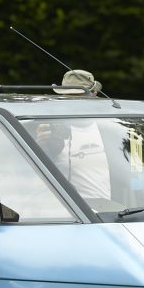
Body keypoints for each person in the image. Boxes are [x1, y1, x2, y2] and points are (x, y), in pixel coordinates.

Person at [38, 69, 112, 200]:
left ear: (94, 94)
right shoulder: (51, 130)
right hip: (66, 214)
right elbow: (35, 179)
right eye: (66, 96)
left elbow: (132, 176)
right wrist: (39, 146)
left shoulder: (109, 129)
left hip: (112, 213)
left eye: (77, 95)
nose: (71, 101)